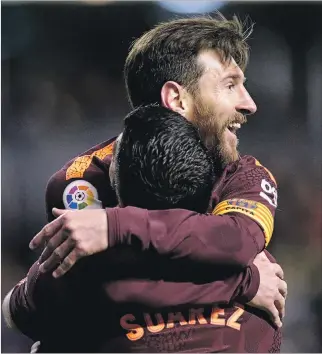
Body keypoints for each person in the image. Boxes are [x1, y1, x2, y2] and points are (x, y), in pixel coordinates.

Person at [3, 15, 286, 352]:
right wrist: (244, 281)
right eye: (230, 85)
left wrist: (114, 226)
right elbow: (97, 279)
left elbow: (234, 241)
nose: (249, 103)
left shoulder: (244, 175)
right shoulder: (84, 180)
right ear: (177, 99)